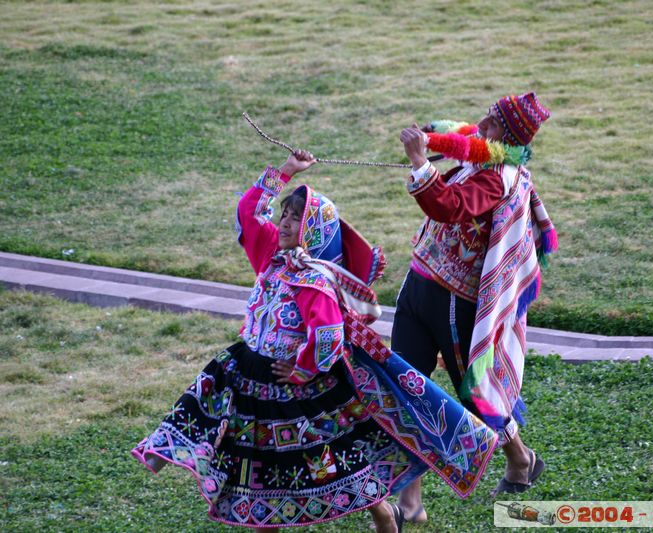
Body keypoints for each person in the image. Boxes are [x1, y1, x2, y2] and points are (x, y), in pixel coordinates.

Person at [132, 150, 498, 532]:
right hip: (249, 371)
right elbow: (249, 214)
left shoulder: (314, 280)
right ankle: (172, 452)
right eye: (285, 215)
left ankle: (383, 513)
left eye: (295, 217)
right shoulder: (272, 255)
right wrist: (286, 171)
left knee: (330, 456)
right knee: (250, 448)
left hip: (295, 385)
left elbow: (327, 334)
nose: (285, 222)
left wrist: (303, 368)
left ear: (313, 230)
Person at [393, 92, 558, 521]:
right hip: (419, 284)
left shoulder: (499, 177)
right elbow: (454, 139)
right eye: (488, 115)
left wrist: (420, 164)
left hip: (454, 303)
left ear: (509, 136)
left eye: (494, 121)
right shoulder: (480, 153)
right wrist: (431, 141)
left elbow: (450, 207)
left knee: (475, 397)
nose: (483, 122)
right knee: (404, 386)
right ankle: (411, 502)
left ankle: (520, 458)